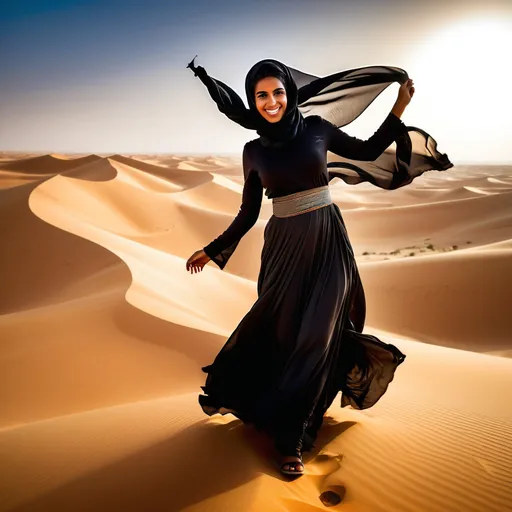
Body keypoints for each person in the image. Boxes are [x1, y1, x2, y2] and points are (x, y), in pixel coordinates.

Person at [185, 57, 452, 476]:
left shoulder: (316, 130)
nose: (271, 101)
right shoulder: (253, 151)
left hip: (329, 243)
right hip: (283, 250)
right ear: (252, 102)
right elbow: (249, 211)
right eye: (261, 95)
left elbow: (365, 151)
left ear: (290, 92)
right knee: (284, 333)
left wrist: (398, 110)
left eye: (277, 92)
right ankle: (271, 406)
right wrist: (213, 248)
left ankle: (292, 439)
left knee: (317, 336)